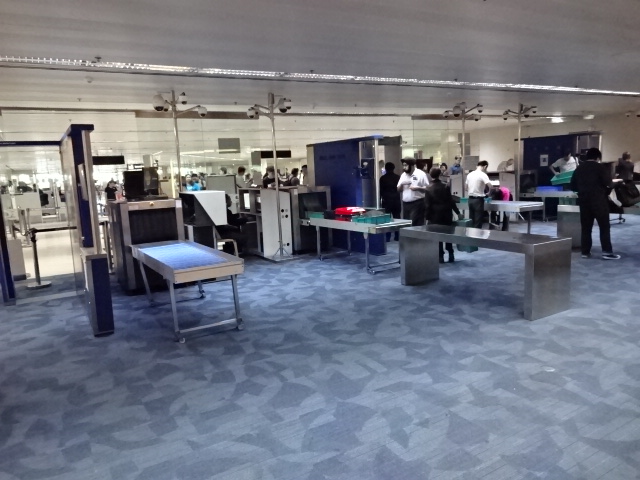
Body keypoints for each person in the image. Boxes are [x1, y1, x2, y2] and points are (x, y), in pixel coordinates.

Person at [570, 147, 620, 260]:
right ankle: (607, 252)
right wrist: (614, 184)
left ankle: (585, 252)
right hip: (599, 201)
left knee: (586, 228)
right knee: (604, 226)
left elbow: (573, 186)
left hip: (583, 201)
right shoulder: (600, 167)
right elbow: (608, 183)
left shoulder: (579, 168)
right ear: (598, 157)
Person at [425, 167, 461, 263]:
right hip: (446, 213)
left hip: (435, 215)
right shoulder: (446, 186)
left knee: (438, 236)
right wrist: (458, 212)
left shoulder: (428, 188)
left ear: (430, 175)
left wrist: (427, 217)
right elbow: (451, 201)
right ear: (439, 174)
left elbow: (427, 205)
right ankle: (451, 253)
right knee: (448, 234)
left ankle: (440, 256)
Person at [397, 158, 428, 226]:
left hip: (417, 203)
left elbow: (427, 189)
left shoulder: (421, 174)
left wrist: (418, 188)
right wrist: (402, 184)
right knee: (406, 224)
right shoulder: (403, 175)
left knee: (415, 224)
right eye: (403, 165)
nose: (404, 167)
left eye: (406, 165)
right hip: (405, 204)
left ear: (412, 165)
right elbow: (398, 189)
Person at [465, 160, 492, 228]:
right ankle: (477, 234)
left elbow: (465, 188)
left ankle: (470, 233)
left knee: (471, 219)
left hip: (470, 200)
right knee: (478, 220)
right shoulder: (483, 174)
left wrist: (472, 190)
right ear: (485, 166)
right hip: (478, 200)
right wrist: (488, 192)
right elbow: (490, 186)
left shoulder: (469, 174)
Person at [380, 162, 401, 241]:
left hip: (386, 201)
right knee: (397, 218)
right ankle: (397, 236)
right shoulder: (398, 177)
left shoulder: (382, 178)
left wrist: (380, 200)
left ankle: (387, 237)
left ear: (385, 168)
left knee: (387, 219)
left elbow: (381, 191)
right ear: (393, 168)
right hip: (396, 200)